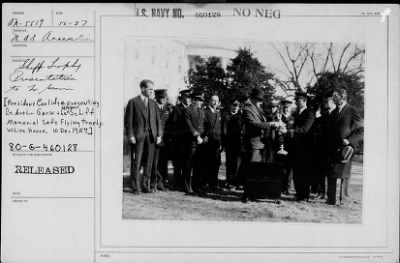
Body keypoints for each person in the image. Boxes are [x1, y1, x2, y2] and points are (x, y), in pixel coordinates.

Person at [242, 88, 282, 200]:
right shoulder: (247, 108)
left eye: (261, 100)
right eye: (258, 99)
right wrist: (271, 124)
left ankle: (253, 193)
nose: (260, 102)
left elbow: (262, 120)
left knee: (256, 171)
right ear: (253, 98)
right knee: (251, 170)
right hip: (253, 143)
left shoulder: (257, 108)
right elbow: (254, 124)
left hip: (260, 143)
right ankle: (247, 194)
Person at [326, 88, 363, 205]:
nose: (333, 99)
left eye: (335, 96)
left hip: (345, 149)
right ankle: (331, 200)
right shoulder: (333, 112)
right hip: (332, 148)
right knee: (331, 173)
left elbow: (361, 129)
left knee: (344, 174)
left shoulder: (352, 110)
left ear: (342, 97)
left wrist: (349, 140)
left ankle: (343, 200)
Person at [125, 79, 162, 194]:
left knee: (148, 163)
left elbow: (158, 121)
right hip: (138, 137)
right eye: (150, 89)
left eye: (152, 89)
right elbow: (128, 121)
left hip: (151, 137)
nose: (152, 91)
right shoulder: (133, 102)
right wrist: (130, 135)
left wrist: (159, 134)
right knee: (137, 162)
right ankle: (136, 187)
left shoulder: (153, 103)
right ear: (143, 89)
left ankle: (146, 185)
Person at [289, 91, 315, 201]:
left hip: (306, 148)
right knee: (296, 171)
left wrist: (291, 131)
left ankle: (304, 195)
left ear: (304, 101)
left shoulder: (309, 113)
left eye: (298, 100)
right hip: (296, 147)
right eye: (296, 100)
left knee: (304, 172)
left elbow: (305, 129)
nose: (296, 102)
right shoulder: (296, 114)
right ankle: (299, 193)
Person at [182, 92, 205, 194]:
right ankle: (187, 186)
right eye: (198, 100)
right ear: (194, 100)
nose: (200, 102)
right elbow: (188, 125)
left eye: (201, 101)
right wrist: (196, 135)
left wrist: (204, 136)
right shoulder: (187, 110)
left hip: (200, 142)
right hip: (190, 141)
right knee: (188, 165)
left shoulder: (201, 111)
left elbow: (202, 125)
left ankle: (196, 186)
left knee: (198, 166)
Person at [170, 89, 192, 190]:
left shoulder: (192, 109)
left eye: (189, 97)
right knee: (178, 163)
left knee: (187, 163)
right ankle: (176, 183)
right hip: (179, 141)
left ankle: (185, 183)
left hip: (189, 141)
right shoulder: (176, 109)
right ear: (182, 98)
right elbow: (174, 125)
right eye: (186, 97)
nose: (188, 99)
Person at [150, 89, 170, 191]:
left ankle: (160, 182)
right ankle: (153, 183)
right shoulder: (152, 107)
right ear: (157, 97)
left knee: (163, 163)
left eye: (165, 98)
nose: (163, 99)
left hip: (165, 140)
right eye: (161, 98)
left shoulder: (168, 108)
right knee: (154, 163)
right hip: (155, 139)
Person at [202, 94, 223, 191]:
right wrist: (204, 136)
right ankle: (206, 183)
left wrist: (221, 142)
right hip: (208, 141)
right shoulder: (205, 112)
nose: (215, 103)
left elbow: (220, 129)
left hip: (216, 142)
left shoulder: (218, 113)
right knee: (207, 163)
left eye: (216, 101)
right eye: (213, 100)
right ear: (209, 101)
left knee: (216, 163)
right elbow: (203, 126)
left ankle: (214, 183)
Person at [222, 98, 243, 189]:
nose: (235, 108)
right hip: (229, 143)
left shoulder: (241, 117)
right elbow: (224, 131)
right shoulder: (226, 116)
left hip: (238, 144)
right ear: (230, 106)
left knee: (237, 164)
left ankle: (236, 182)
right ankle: (229, 182)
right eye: (234, 105)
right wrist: (224, 144)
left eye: (237, 106)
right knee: (229, 164)